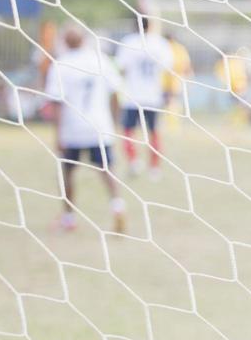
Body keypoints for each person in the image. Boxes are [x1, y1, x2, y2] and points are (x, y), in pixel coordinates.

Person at [43, 27, 127, 234]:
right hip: (100, 126)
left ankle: (69, 218)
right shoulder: (100, 60)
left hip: (72, 129)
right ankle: (118, 207)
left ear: (65, 41)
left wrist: (58, 134)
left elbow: (57, 103)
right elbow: (116, 92)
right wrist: (113, 122)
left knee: (67, 173)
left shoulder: (61, 65)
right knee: (107, 170)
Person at [113, 14, 173, 177]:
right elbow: (168, 68)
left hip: (133, 96)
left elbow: (121, 68)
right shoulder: (160, 43)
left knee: (128, 130)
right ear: (150, 25)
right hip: (153, 96)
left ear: (134, 25)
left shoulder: (128, 42)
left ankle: (134, 161)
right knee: (154, 132)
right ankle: (154, 167)